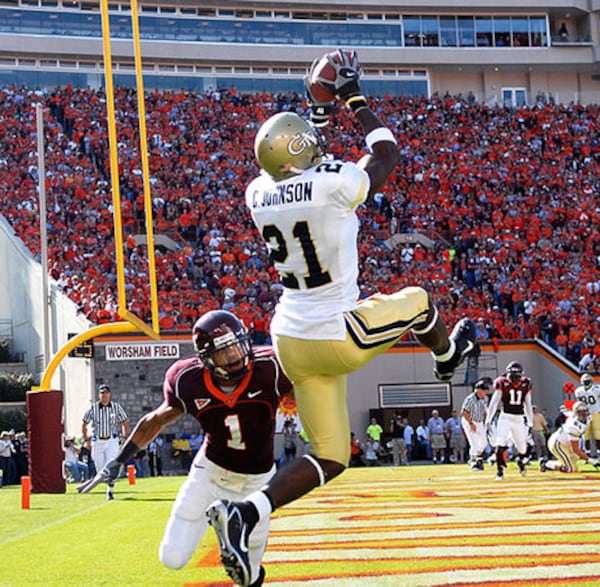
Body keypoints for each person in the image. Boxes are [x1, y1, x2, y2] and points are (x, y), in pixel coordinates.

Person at [205, 49, 476, 586]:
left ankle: (248, 513)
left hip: (289, 339)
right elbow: (385, 151)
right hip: (335, 331)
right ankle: (448, 360)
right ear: (302, 151)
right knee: (420, 298)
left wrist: (318, 118)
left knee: (330, 454)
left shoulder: (258, 191)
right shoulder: (330, 184)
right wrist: (351, 96)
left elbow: (308, 160)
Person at [77, 310, 293, 587]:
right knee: (172, 557)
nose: (235, 358)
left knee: (249, 575)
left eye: (237, 347)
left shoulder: (270, 368)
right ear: (205, 358)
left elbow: (309, 391)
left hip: (258, 481)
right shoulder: (187, 380)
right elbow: (155, 420)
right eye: (224, 353)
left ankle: (230, 526)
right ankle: (224, 520)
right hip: (211, 473)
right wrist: (119, 460)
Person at [485, 361, 533, 480]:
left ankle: (520, 461)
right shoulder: (502, 382)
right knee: (500, 443)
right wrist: (488, 419)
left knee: (522, 448)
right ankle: (499, 471)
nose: (514, 379)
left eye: (517, 376)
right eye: (512, 376)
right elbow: (494, 402)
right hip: (505, 417)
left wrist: (530, 422)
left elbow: (528, 404)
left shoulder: (526, 383)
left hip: (519, 418)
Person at [81, 383, 129, 500]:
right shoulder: (93, 408)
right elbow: (84, 423)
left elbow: (125, 422)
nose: (104, 396)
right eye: (102, 393)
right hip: (98, 441)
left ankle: (110, 490)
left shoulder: (116, 407)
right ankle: (95, 482)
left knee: (111, 465)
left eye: (106, 393)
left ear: (110, 394)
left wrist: (123, 436)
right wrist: (86, 439)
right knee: (100, 468)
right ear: (99, 395)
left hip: (112, 440)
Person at [540, 402, 600, 473]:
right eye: (580, 412)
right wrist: (591, 460)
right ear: (576, 413)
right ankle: (547, 465)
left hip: (566, 444)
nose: (583, 414)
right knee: (571, 469)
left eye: (584, 411)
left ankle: (553, 463)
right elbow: (576, 449)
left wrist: (564, 409)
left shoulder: (584, 418)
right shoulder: (573, 426)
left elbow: (566, 411)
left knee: (575, 458)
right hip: (557, 444)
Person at [461, 378, 490, 471]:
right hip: (469, 421)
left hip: (479, 421)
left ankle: (477, 457)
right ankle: (474, 462)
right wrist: (470, 423)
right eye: (484, 390)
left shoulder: (483, 399)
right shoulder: (470, 399)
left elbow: (484, 411)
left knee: (484, 442)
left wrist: (486, 422)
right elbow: (464, 412)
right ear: (478, 390)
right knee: (474, 443)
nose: (486, 392)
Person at [573, 373, 600, 458]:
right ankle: (587, 454)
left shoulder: (580, 390)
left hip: (595, 413)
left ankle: (595, 453)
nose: (586, 383)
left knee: (597, 434)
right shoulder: (595, 389)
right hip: (587, 414)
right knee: (586, 435)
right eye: (585, 381)